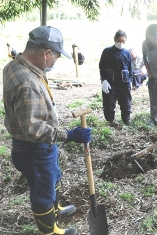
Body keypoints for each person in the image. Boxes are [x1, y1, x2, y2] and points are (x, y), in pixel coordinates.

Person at [2, 26, 92, 235]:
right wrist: (68, 135)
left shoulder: (15, 65)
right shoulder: (28, 84)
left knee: (53, 177)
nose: (55, 62)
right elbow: (33, 129)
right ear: (46, 53)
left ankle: (56, 209)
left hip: (38, 147)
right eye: (57, 57)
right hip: (34, 149)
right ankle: (49, 231)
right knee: (43, 189)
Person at [99, 30, 133, 126]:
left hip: (124, 83)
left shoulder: (127, 53)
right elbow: (102, 67)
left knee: (126, 102)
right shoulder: (107, 51)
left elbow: (130, 68)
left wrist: (130, 80)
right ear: (114, 40)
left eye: (123, 41)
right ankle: (110, 120)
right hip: (110, 82)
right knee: (109, 103)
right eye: (119, 40)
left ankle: (126, 120)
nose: (121, 43)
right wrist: (104, 80)